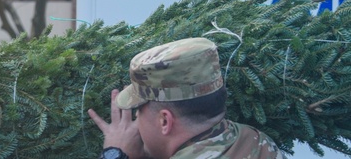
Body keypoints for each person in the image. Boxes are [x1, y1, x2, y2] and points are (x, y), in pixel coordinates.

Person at [88, 37, 283, 159]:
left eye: (138, 111)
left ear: (165, 121)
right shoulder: (257, 140)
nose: (136, 121)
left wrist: (114, 153)